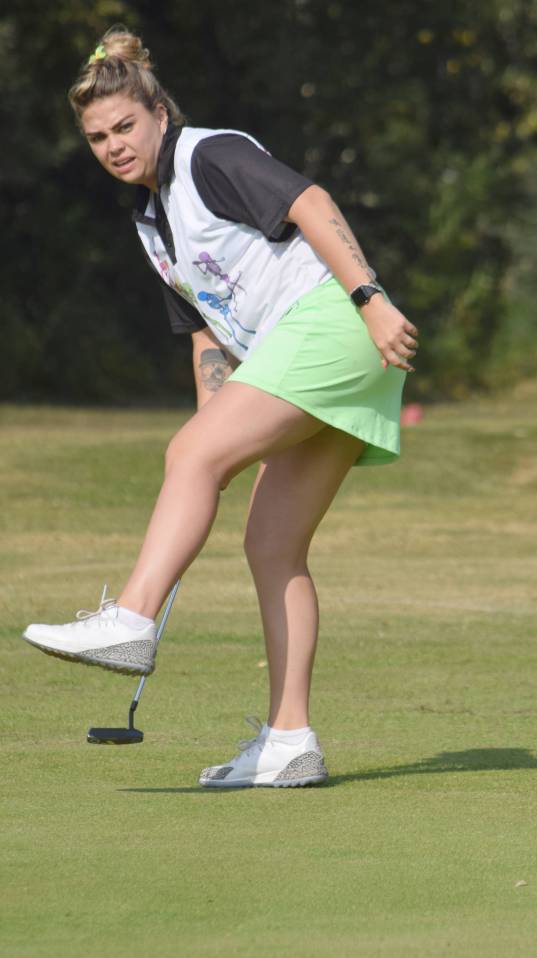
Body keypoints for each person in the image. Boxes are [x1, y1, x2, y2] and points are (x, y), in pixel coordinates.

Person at [22, 27, 418, 788]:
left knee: (188, 456)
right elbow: (206, 336)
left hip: (333, 323)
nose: (112, 145)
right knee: (271, 546)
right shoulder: (151, 222)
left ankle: (132, 618)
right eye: (98, 137)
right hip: (309, 353)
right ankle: (289, 740)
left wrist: (369, 299)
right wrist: (219, 438)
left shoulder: (208, 155)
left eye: (124, 127)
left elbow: (310, 201)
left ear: (158, 112)